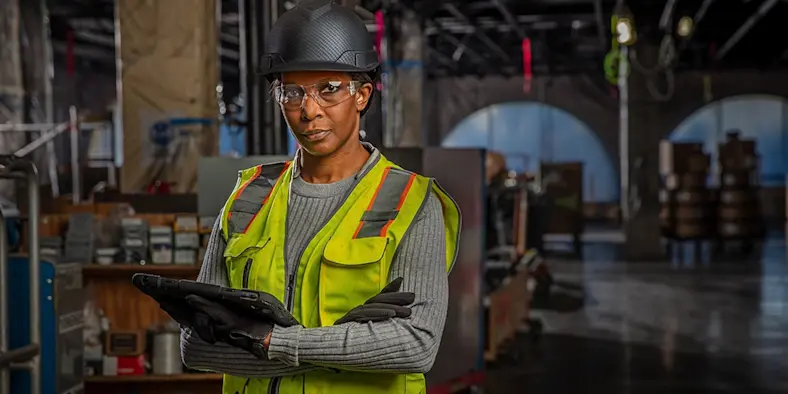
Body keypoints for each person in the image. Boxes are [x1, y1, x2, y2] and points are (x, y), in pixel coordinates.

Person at [165, 1, 462, 393]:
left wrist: (273, 341)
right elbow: (196, 347)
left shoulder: (411, 203)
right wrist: (349, 344)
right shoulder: (246, 200)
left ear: (362, 95)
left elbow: (414, 345)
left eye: (329, 90)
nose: (309, 111)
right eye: (292, 92)